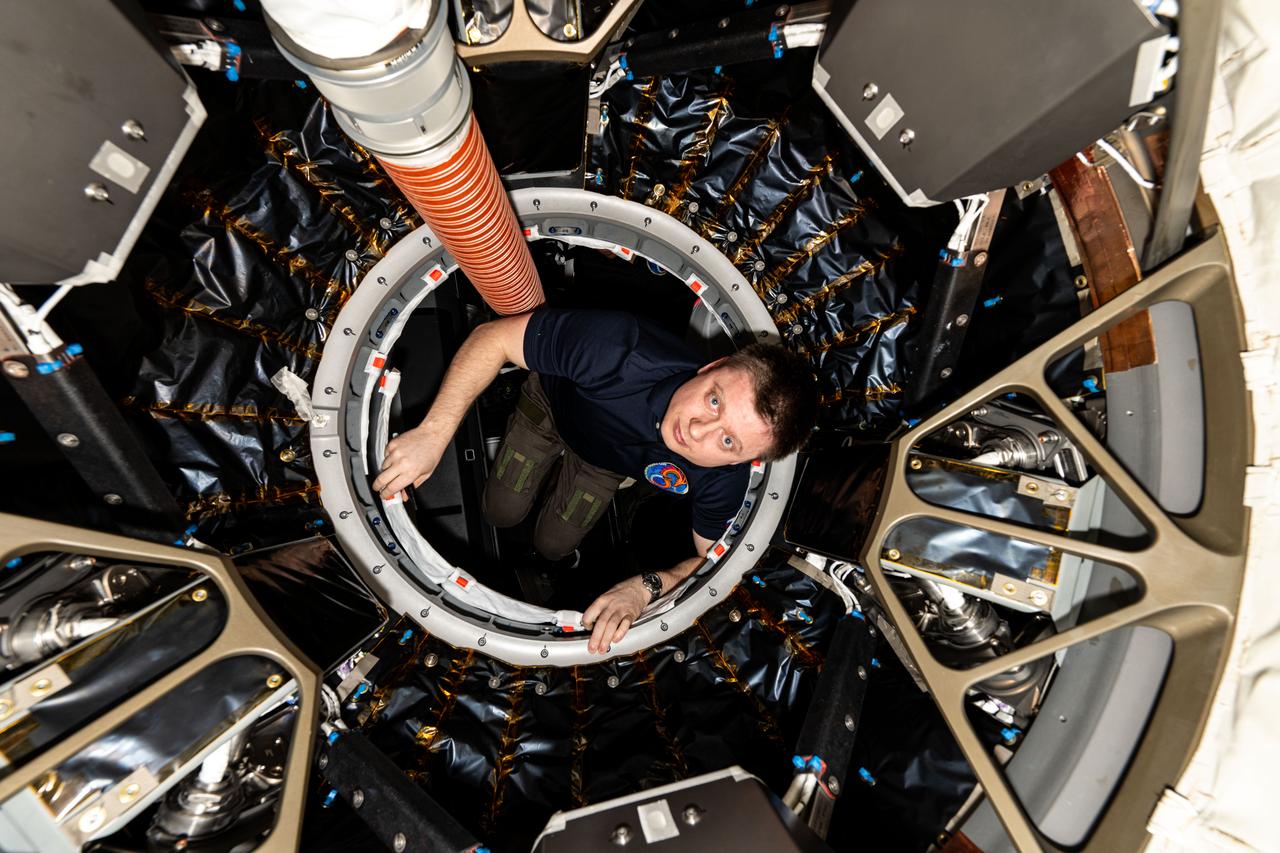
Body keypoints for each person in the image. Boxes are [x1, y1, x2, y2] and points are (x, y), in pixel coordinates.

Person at [372, 308, 817, 654]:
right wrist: (433, 433)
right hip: (551, 411)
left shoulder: (726, 478)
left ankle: (556, 561)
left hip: (604, 464)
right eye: (714, 399)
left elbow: (719, 562)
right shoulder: (620, 350)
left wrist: (649, 587)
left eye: (727, 440)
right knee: (499, 511)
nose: (696, 431)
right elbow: (495, 339)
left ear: (749, 461)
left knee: (553, 545)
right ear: (710, 367)